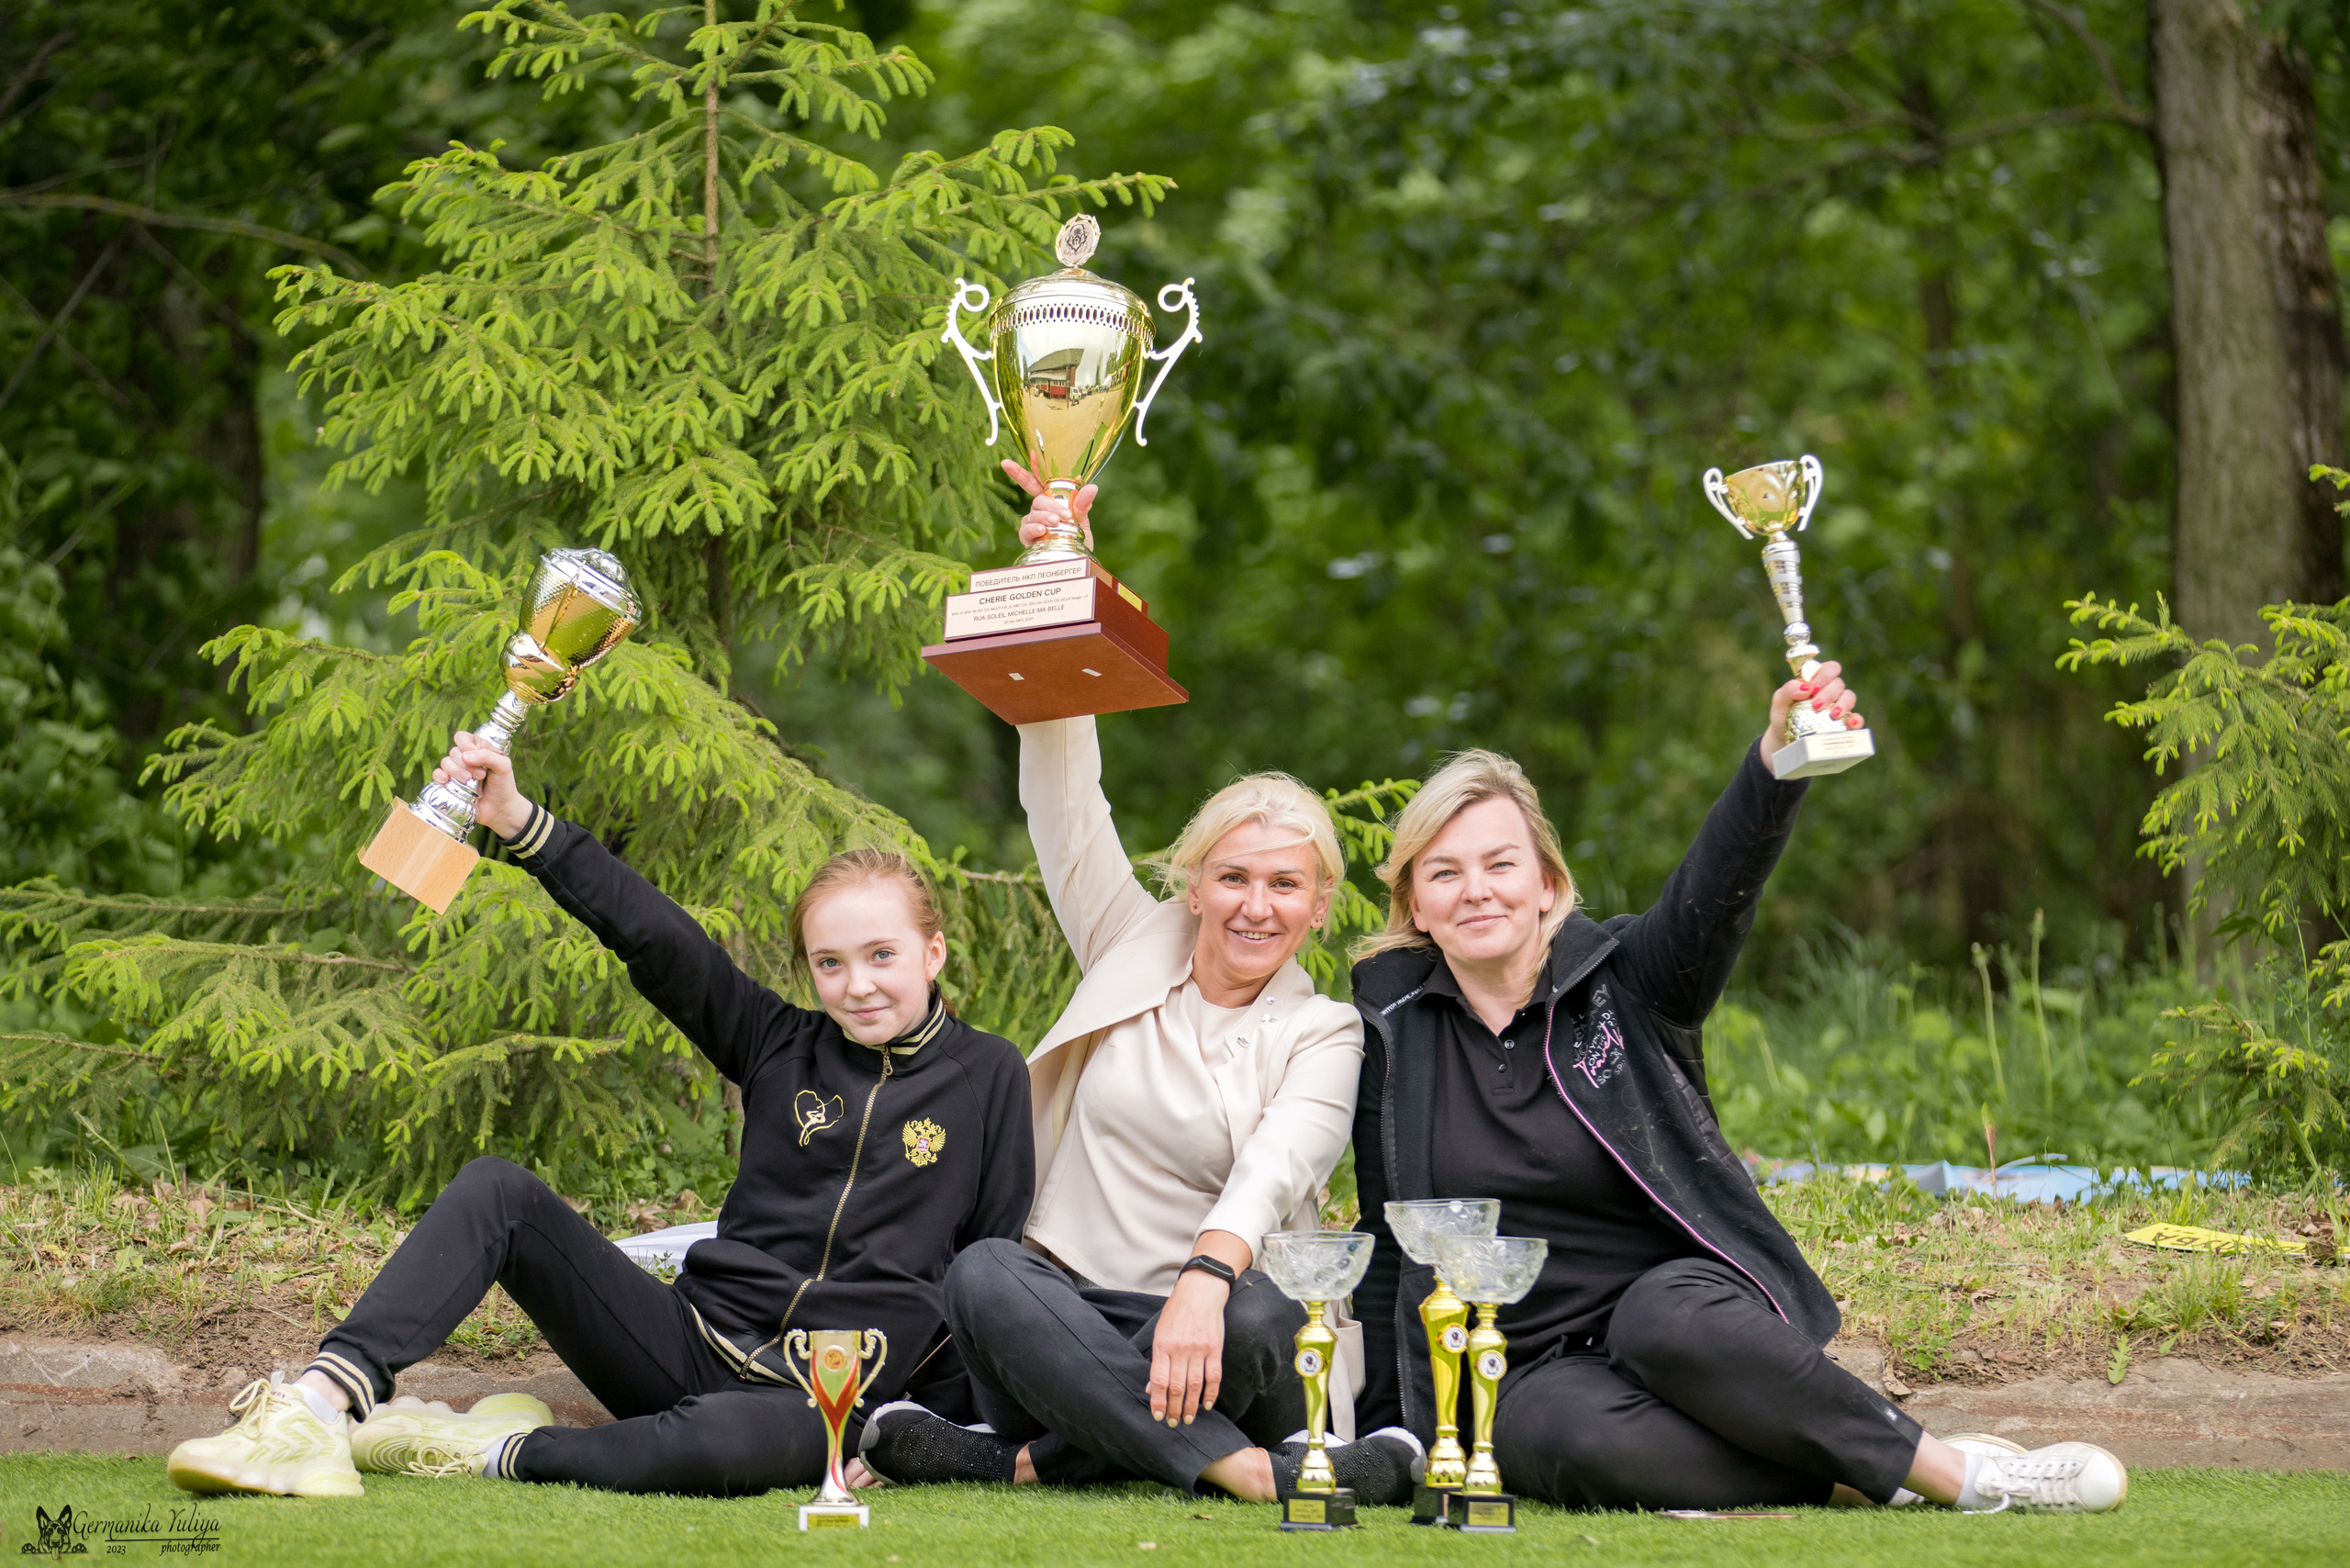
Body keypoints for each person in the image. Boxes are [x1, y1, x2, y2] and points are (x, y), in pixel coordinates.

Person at [165, 733, 1034, 1498]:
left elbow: (987, 1273)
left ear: (933, 950)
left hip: (821, 1400)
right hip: (681, 1341)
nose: (859, 984)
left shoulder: (989, 1074)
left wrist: (930, 1431)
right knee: (499, 1192)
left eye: (881, 955)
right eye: (831, 963)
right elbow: (660, 940)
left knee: (717, 1447)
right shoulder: (779, 1043)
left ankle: (479, 1446)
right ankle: (320, 1405)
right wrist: (517, 821)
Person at [1346, 673, 2129, 1515]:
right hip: (1530, 1362)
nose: (1477, 891)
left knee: (1662, 1322)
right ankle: (1862, 1466)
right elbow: (1392, 1231)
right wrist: (1395, 1424)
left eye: (1502, 864)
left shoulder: (1629, 982)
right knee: (1567, 1447)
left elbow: (1714, 892)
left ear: (1546, 883)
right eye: (1446, 873)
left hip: (1679, 1306)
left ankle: (1968, 1477)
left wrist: (1776, 764)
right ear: (1416, 904)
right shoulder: (1391, 1025)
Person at [855, 468, 1419, 1506]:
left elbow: (1271, 1167)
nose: (1256, 904)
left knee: (1258, 1311)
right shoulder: (1130, 940)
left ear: (1318, 902)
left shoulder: (1324, 1028)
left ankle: (1014, 1459)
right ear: (1193, 883)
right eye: (1234, 877)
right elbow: (1066, 803)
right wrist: (1059, 574)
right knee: (983, 1274)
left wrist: (1204, 1280)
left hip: (1224, 1328)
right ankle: (1243, 1470)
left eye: (1284, 884)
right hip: (1072, 1316)